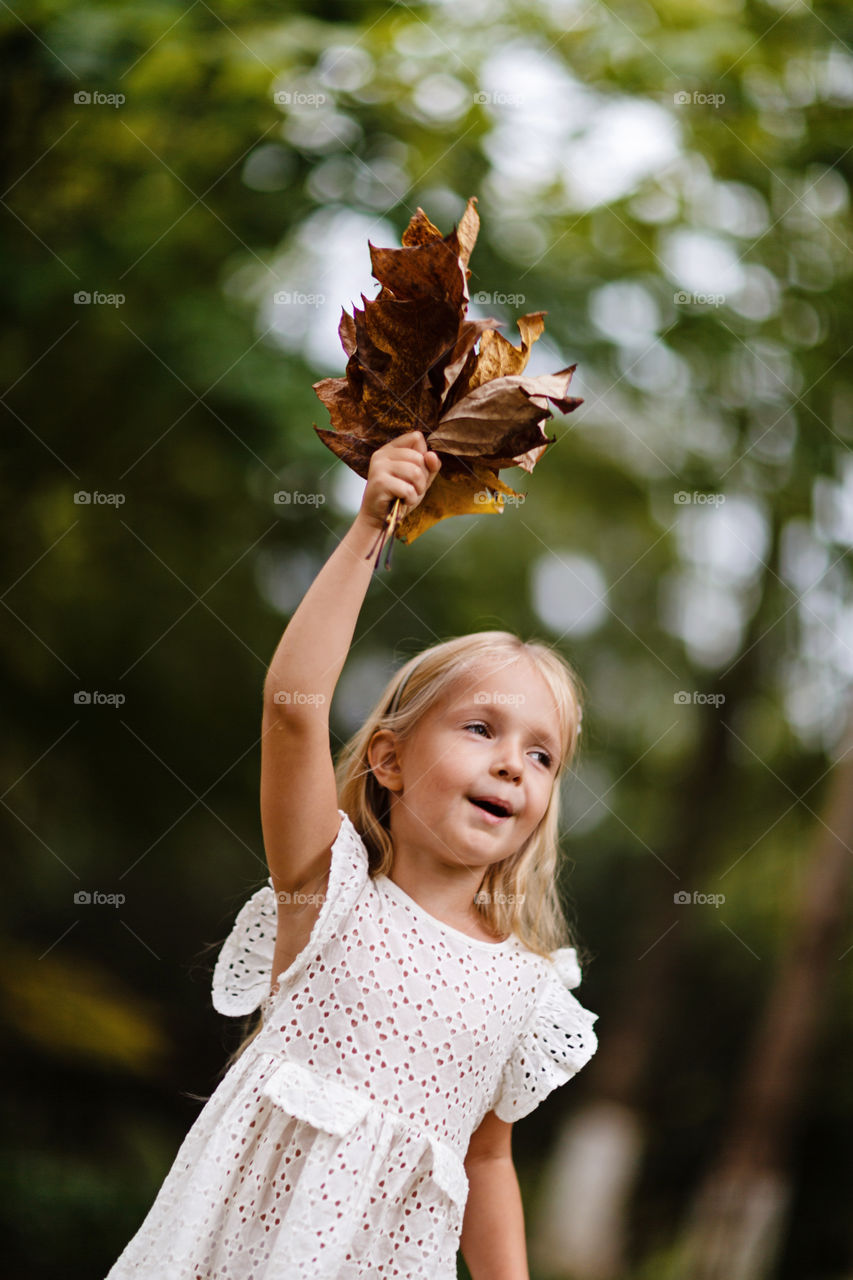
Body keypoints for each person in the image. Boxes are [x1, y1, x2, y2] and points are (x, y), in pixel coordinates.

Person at [105, 430, 599, 1279]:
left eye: (541, 754)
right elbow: (293, 709)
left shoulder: (527, 986)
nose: (512, 763)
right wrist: (371, 524)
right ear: (390, 760)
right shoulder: (326, 894)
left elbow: (486, 1162)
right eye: (480, 729)